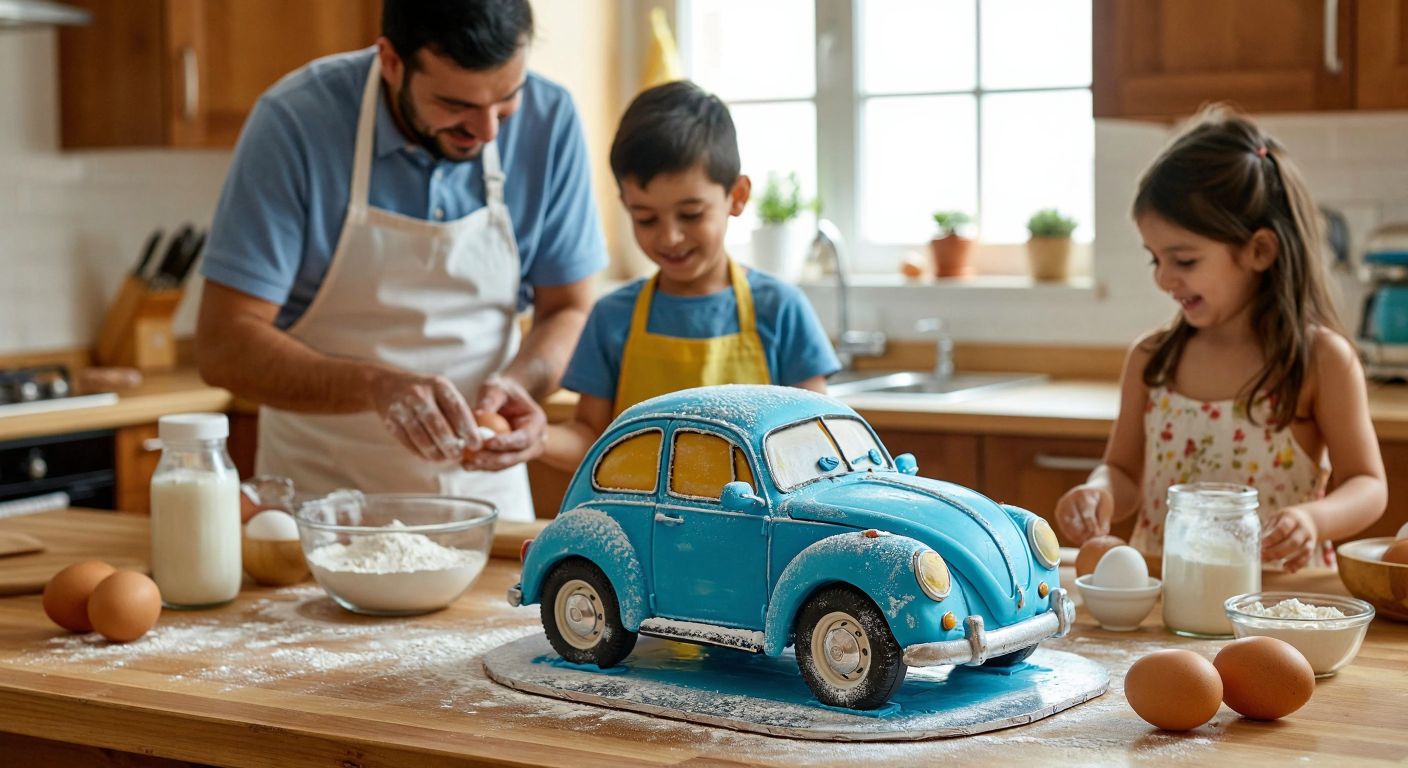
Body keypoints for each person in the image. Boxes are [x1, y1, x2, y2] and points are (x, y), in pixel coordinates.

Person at [194, 1, 607, 521]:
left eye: (506, 101)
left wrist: (520, 385)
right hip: (319, 507)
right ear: (390, 61)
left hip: (486, 509)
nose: (487, 133)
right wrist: (374, 386)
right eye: (456, 104)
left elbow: (569, 309)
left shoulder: (551, 120)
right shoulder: (297, 121)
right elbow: (222, 344)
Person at [1054, 106, 1386, 572]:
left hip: (1276, 599)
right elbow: (1125, 471)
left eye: (1184, 260)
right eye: (1155, 260)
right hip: (1167, 592)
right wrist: (1100, 491)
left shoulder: (1318, 361)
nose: (1164, 278)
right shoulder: (1152, 361)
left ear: (1259, 251)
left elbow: (1368, 484)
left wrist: (1313, 519)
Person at [539, 81, 841, 471]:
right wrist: (536, 437)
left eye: (691, 214)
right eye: (645, 217)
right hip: (641, 528)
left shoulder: (780, 309)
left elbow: (817, 445)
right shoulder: (612, 316)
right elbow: (591, 441)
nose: (670, 237)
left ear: (737, 196)